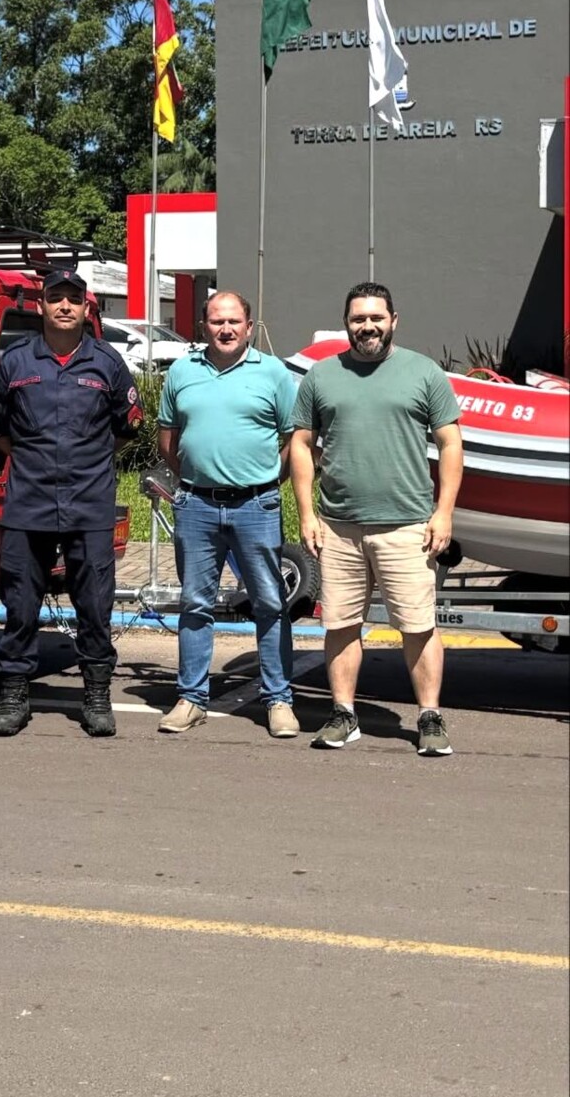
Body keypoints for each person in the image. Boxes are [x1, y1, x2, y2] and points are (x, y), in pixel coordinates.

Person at [290, 282, 463, 757]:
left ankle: (429, 717)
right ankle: (344, 715)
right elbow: (301, 446)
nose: (367, 326)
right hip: (338, 527)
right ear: (346, 323)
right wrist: (306, 513)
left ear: (393, 320)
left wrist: (443, 512)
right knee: (341, 625)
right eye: (358, 319)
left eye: (376, 318)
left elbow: (451, 444)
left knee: (418, 625)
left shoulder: (423, 373)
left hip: (407, 525)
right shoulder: (322, 377)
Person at [0, 268, 143, 738]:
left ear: (86, 307)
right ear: (41, 306)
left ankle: (96, 693)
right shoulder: (14, 361)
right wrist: (31, 460)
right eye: (56, 298)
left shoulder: (107, 362)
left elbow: (128, 426)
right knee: (20, 602)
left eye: (74, 299)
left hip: (90, 503)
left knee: (94, 603)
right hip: (28, 503)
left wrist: (89, 459)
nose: (65, 306)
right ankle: (14, 695)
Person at [156, 291, 300, 738]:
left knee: (270, 604)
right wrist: (196, 479)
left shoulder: (273, 373)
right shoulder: (182, 372)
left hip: (257, 506)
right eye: (217, 321)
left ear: (249, 326)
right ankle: (191, 698)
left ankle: (279, 701)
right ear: (204, 326)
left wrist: (265, 480)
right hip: (196, 505)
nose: (226, 329)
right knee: (196, 604)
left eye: (234, 321)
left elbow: (294, 437)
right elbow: (167, 439)